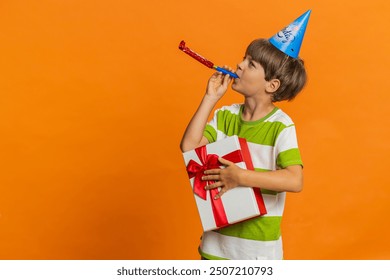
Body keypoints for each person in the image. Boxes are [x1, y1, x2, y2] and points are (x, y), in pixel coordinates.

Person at [180, 11, 311, 260]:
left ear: (271, 85)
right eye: (244, 59)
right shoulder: (225, 116)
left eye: (251, 64)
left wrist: (240, 177)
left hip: (257, 256)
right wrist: (210, 98)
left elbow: (295, 180)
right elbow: (189, 147)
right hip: (215, 249)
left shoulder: (281, 126)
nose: (239, 65)